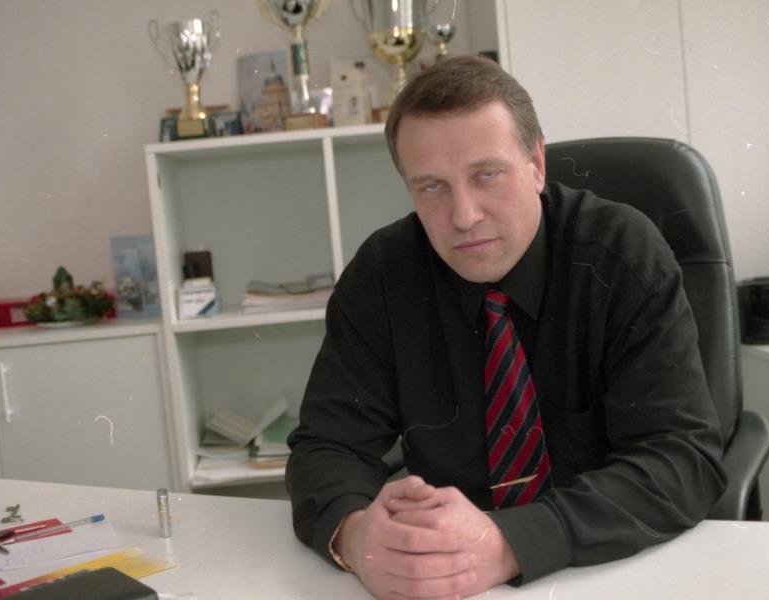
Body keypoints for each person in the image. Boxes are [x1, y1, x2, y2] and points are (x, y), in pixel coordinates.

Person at [286, 55, 726, 599]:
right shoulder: (382, 276)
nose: (464, 216)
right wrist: (356, 538)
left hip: (615, 569)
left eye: (486, 175)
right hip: (458, 581)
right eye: (432, 187)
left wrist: (512, 542)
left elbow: (681, 457)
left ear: (536, 163)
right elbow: (325, 446)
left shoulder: (621, 256)